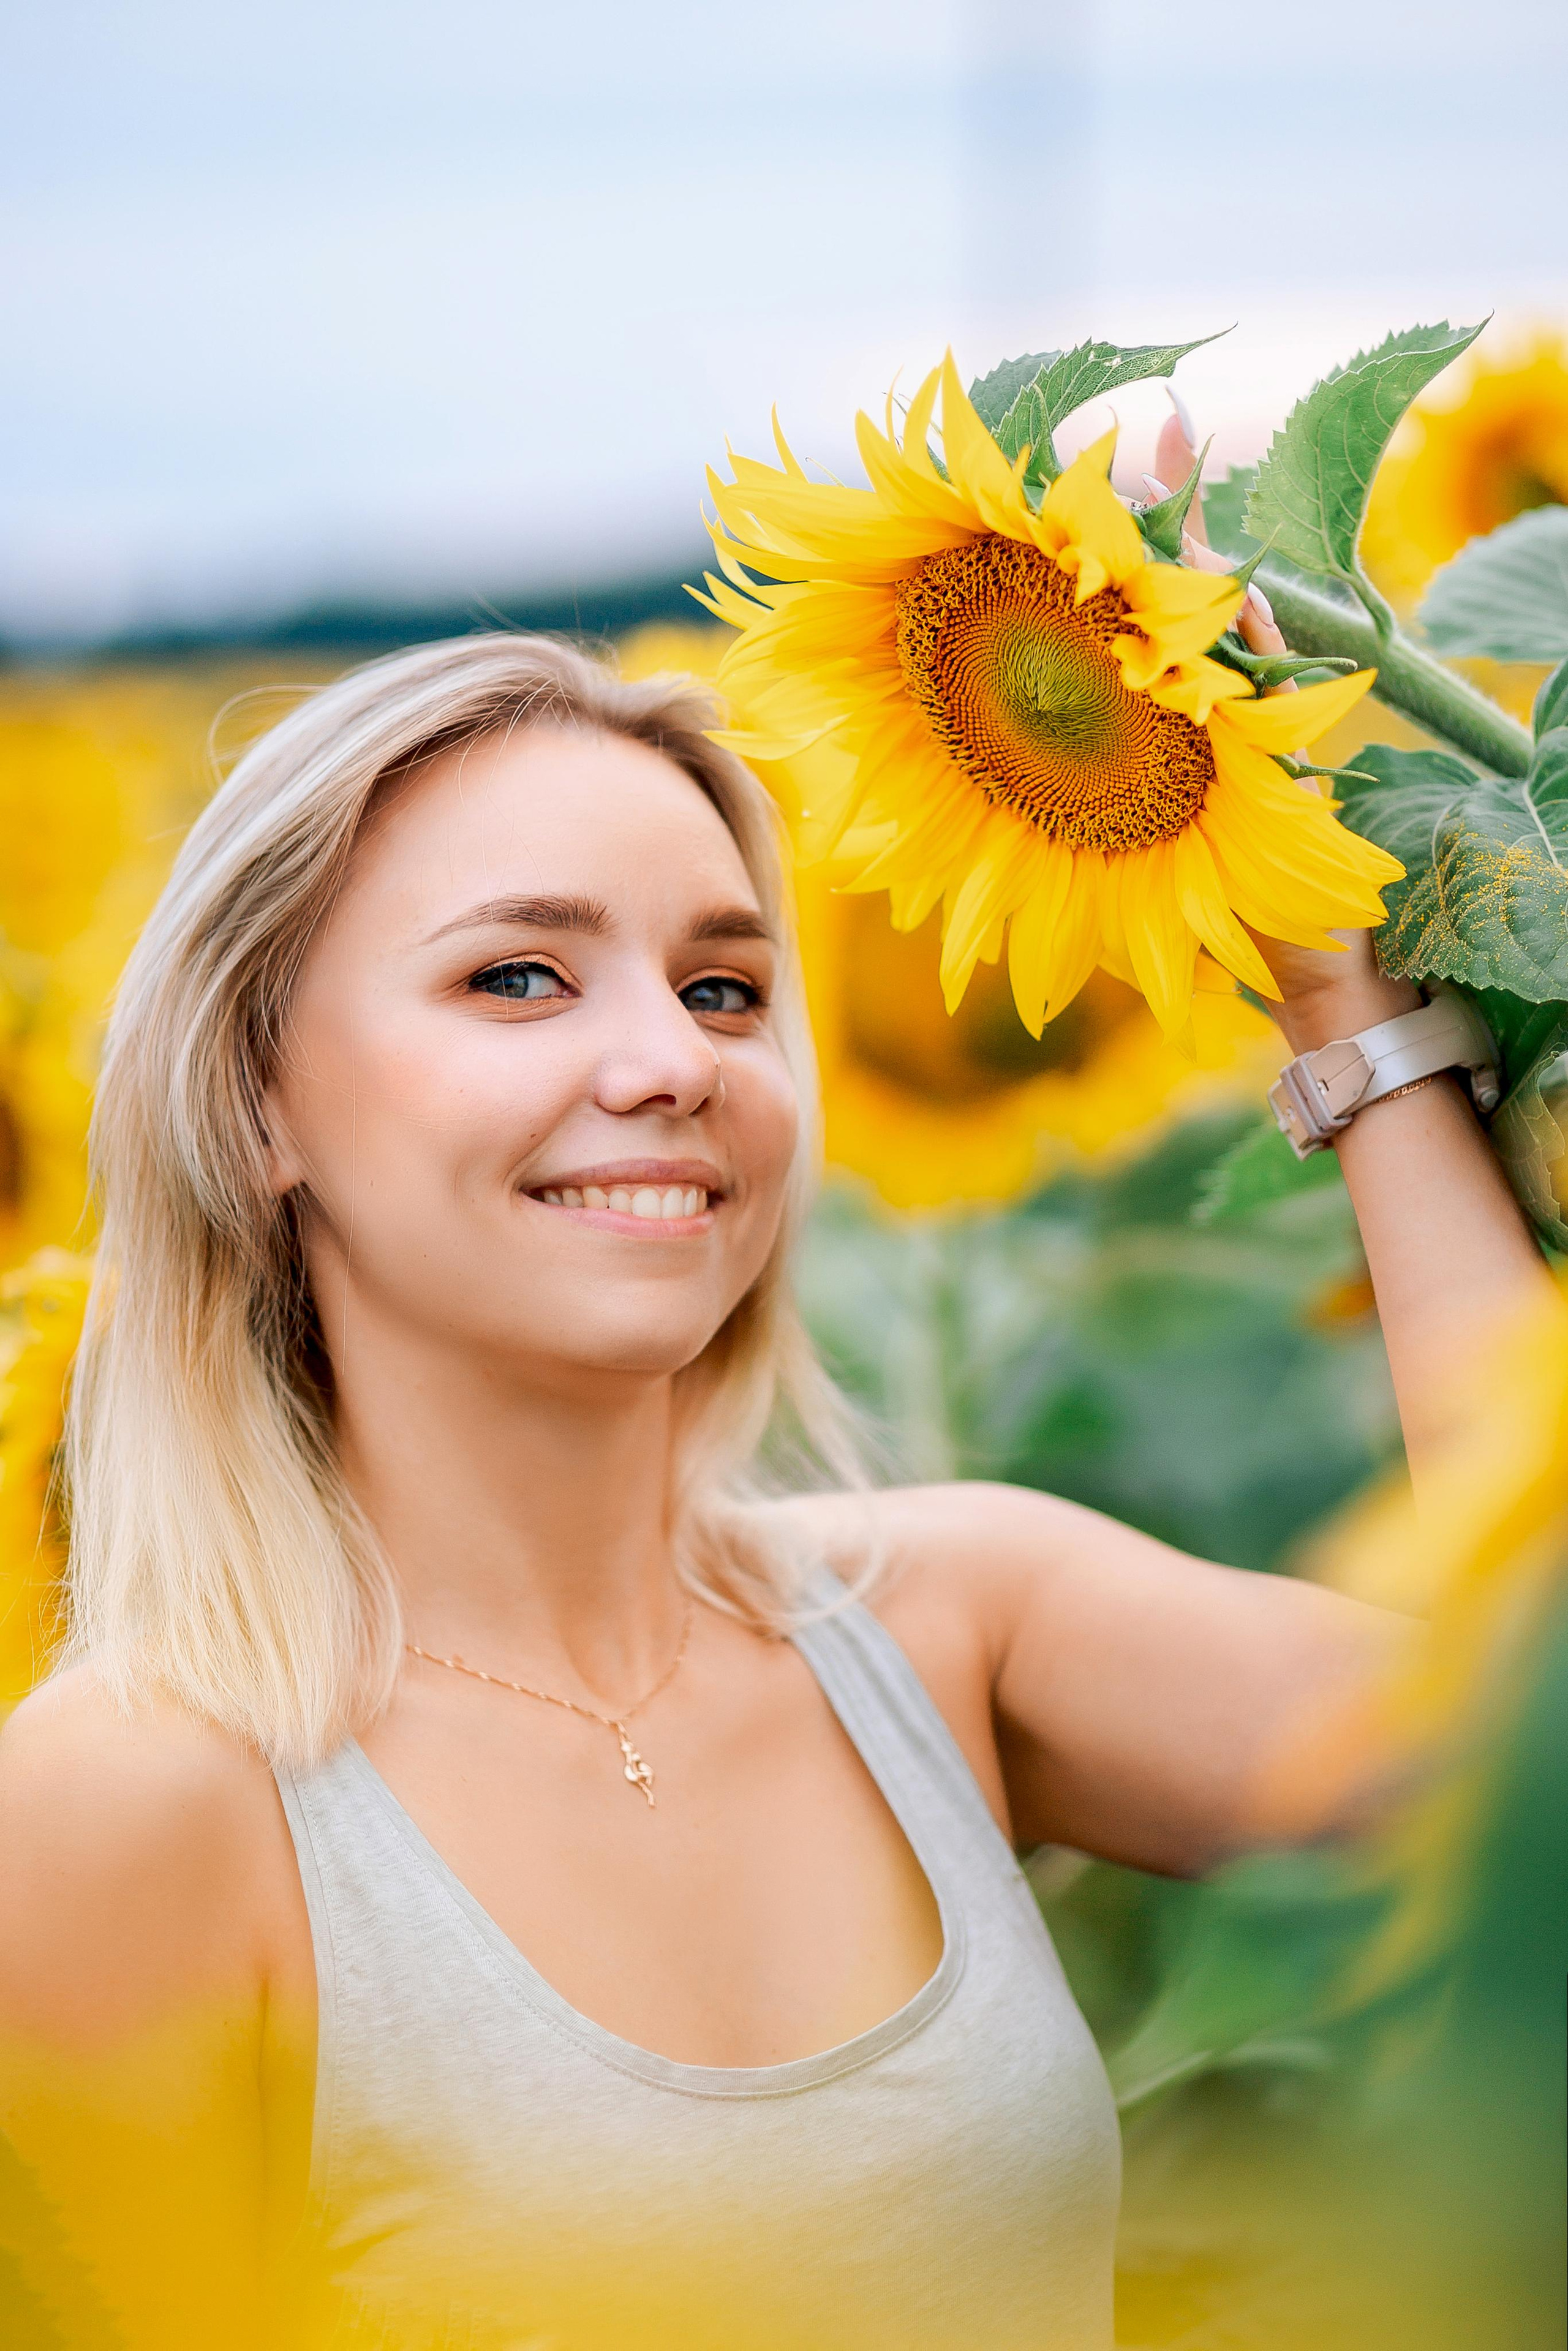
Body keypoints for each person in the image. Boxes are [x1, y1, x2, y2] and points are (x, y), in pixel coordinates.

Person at [0, 422, 1550, 2351]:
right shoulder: (140, 1802)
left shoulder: (950, 1626)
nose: (672, 1061)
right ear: (252, 1100)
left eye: (726, 988)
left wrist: (1349, 1012)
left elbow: (1522, 1732)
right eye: (521, 980)